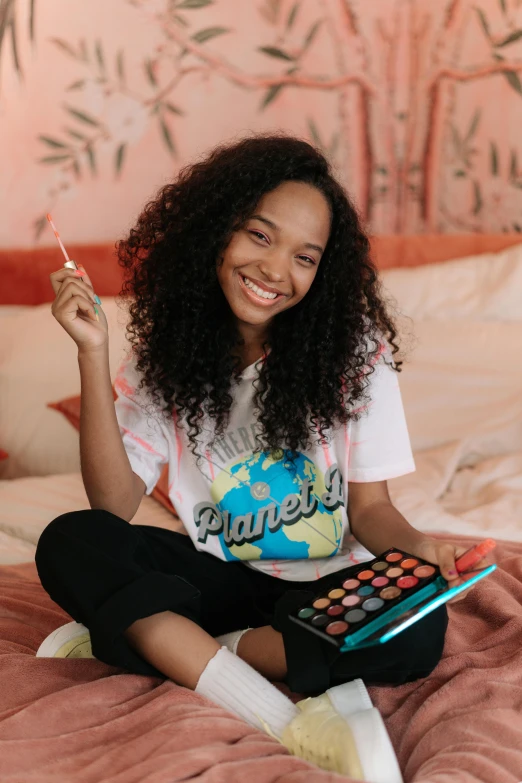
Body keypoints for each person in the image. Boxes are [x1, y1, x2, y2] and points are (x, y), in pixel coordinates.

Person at [35, 134, 476, 782]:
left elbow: (372, 509)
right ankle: (274, 710)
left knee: (417, 630)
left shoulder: (355, 356)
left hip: (327, 588)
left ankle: (178, 645)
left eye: (305, 256)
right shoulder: (167, 359)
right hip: (216, 579)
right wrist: (91, 353)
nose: (276, 269)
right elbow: (114, 501)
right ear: (217, 229)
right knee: (72, 539)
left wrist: (417, 547)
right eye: (260, 236)